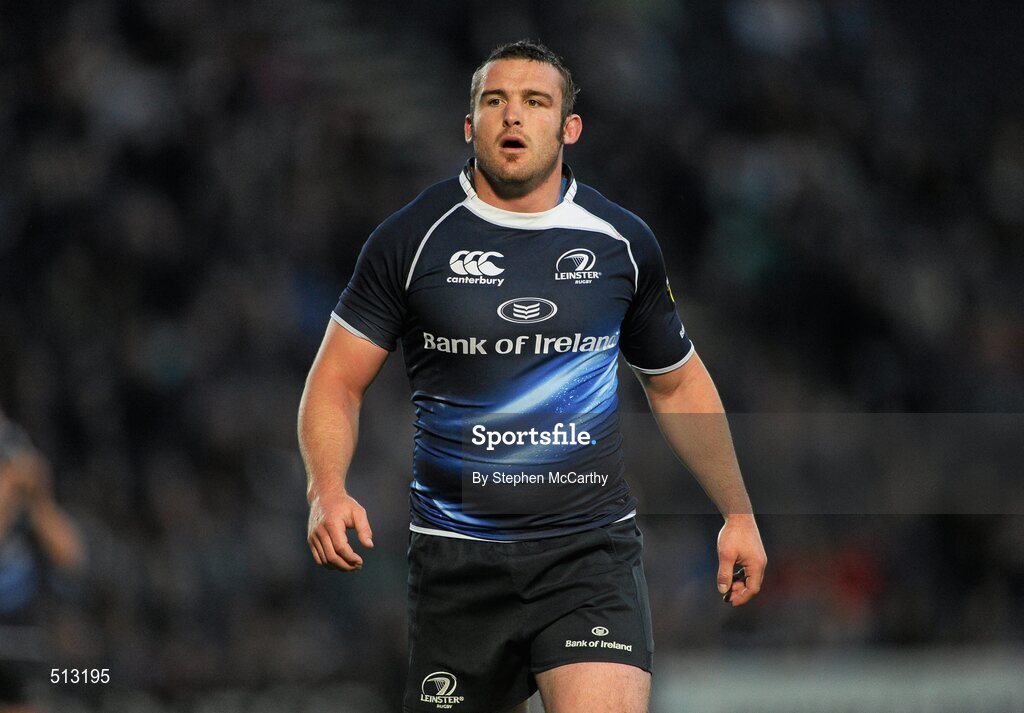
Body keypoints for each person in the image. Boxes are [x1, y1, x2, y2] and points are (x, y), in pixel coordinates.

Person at [298, 40, 766, 713]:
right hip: (458, 563)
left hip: (588, 554)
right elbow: (336, 380)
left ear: (569, 128)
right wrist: (327, 488)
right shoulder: (410, 240)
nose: (513, 115)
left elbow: (677, 382)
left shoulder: (621, 242)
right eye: (495, 101)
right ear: (470, 125)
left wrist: (738, 513)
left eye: (535, 102)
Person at [0, 411, 85, 713]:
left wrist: (40, 498)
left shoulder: (13, 444)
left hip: (21, 631)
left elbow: (71, 557)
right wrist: (8, 490)